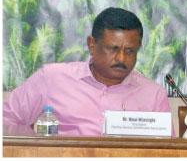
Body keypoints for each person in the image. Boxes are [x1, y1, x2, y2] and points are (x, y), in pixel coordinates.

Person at [3, 7, 171, 136]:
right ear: (92, 44)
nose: (121, 58)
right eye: (112, 49)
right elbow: (5, 121)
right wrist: (36, 139)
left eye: (129, 51)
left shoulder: (154, 96)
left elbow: (168, 152)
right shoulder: (52, 78)